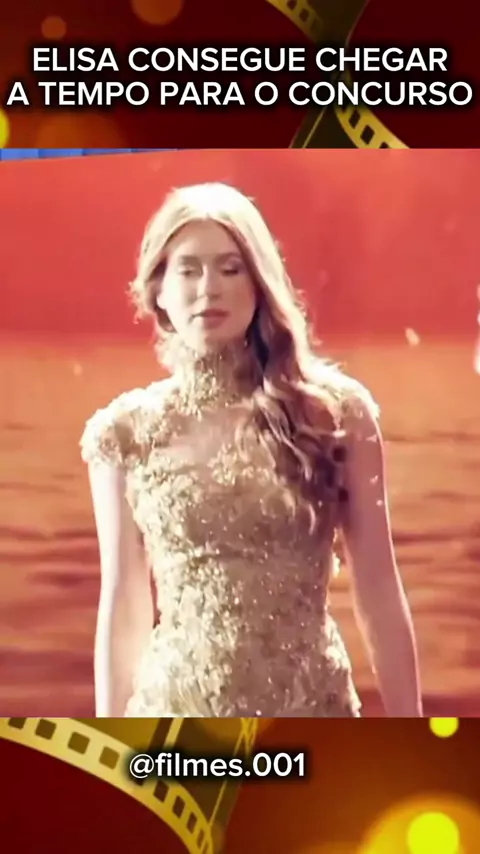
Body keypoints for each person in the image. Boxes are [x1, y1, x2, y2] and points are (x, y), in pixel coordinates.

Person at [80, 182, 422, 718]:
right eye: (188, 270)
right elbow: (124, 603)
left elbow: (378, 585)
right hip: (174, 718)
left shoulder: (336, 415)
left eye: (230, 268)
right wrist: (110, 748)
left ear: (260, 284)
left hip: (309, 711)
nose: (208, 288)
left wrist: (412, 731)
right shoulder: (124, 432)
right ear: (159, 290)